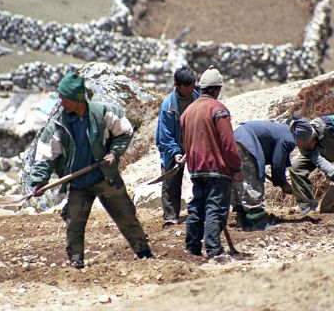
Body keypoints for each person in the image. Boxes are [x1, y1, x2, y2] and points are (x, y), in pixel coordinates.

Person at [30, 72, 153, 268]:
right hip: (79, 183)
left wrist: (114, 153)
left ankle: (144, 253)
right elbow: (46, 153)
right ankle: (76, 260)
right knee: (74, 223)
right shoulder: (59, 123)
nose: (61, 103)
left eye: (64, 98)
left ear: (77, 98)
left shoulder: (103, 113)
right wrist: (39, 180)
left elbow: (125, 132)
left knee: (126, 216)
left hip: (105, 177)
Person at [179, 67, 241, 261]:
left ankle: (192, 248)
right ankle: (215, 250)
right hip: (217, 168)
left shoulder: (188, 111)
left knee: (197, 208)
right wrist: (236, 167)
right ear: (217, 89)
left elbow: (185, 141)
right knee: (215, 209)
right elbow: (228, 143)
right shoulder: (218, 109)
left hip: (196, 168)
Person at [154, 66, 198, 226]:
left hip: (194, 145)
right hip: (173, 148)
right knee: (171, 181)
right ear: (177, 86)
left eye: (192, 85)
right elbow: (165, 135)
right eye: (187, 86)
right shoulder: (168, 106)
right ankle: (170, 216)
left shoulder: (197, 98)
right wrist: (176, 153)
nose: (191, 89)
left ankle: (200, 211)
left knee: (200, 178)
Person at [232, 120, 296, 231]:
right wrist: (283, 183)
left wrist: (280, 181)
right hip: (245, 142)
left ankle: (243, 221)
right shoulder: (289, 139)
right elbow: (277, 163)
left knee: (239, 180)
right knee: (252, 182)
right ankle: (258, 223)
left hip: (234, 138)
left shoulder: (283, 130)